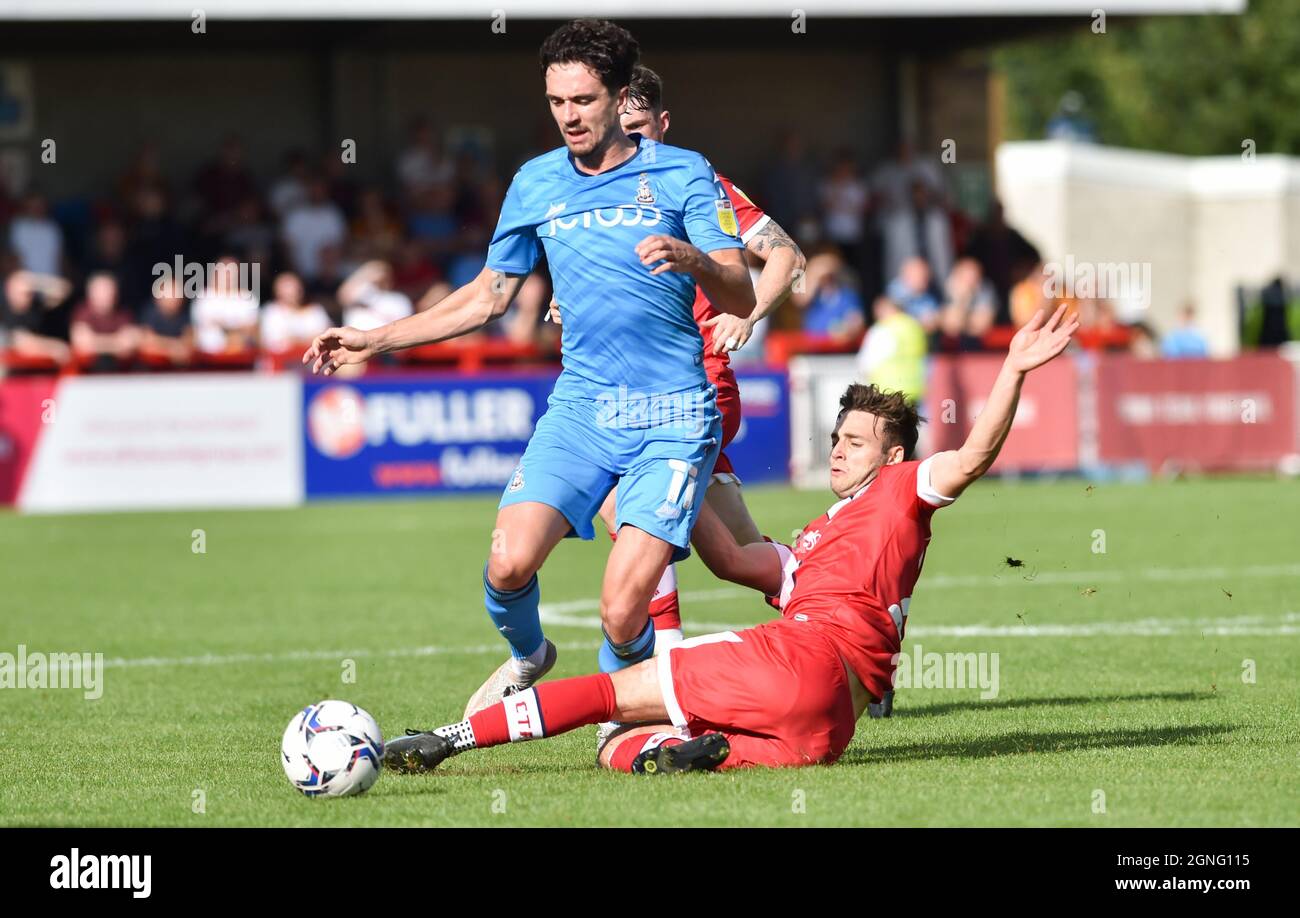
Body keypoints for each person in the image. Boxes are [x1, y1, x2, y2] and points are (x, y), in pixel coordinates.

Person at [383, 306, 1079, 774]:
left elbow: (972, 458)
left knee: (608, 696)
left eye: (857, 443)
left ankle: (447, 739)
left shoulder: (904, 493)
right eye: (837, 438)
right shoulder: (812, 542)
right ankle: (679, 755)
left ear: (892, 459)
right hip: (826, 730)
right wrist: (664, 472)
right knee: (623, 747)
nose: (839, 451)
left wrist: (1013, 369)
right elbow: (727, 557)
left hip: (800, 659)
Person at [303, 19, 755, 717]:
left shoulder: (684, 172)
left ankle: (618, 721)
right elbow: (489, 296)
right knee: (508, 565)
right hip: (580, 412)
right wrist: (374, 339)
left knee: (619, 610)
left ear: (619, 96)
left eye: (583, 100)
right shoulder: (535, 183)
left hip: (671, 414)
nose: (569, 116)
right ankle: (529, 654)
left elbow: (741, 290)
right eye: (556, 102)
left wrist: (694, 259)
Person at [589, 64, 806, 649]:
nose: (629, 142)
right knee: (734, 555)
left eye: (639, 128)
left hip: (696, 385)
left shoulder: (699, 184)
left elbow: (787, 255)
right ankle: (833, 607)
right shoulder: (599, 192)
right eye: (618, 128)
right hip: (637, 386)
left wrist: (748, 312)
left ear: (662, 122)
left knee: (627, 504)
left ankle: (666, 664)